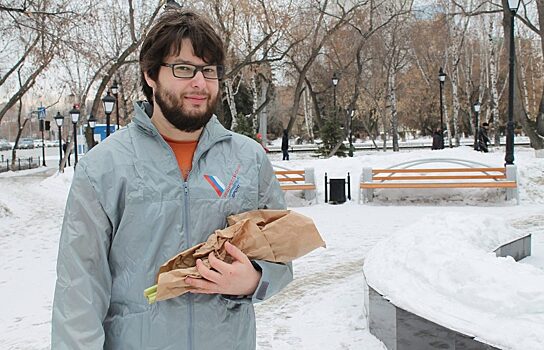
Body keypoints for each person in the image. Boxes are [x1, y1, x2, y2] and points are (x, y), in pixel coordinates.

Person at [51, 10, 292, 350]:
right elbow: (79, 292)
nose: (199, 82)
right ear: (151, 74)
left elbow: (281, 259)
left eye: (209, 71)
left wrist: (254, 280)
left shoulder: (249, 160)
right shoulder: (103, 168)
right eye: (183, 68)